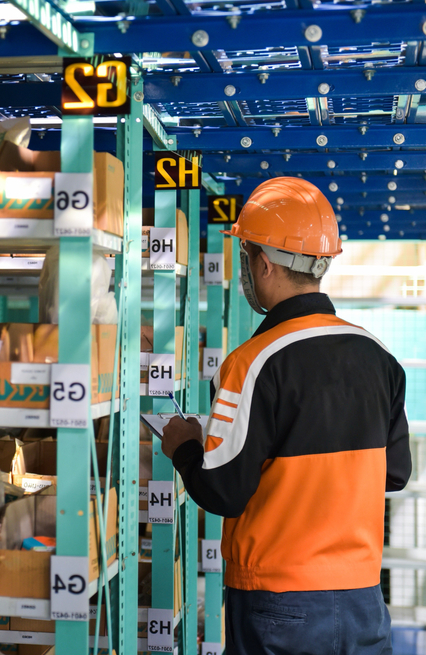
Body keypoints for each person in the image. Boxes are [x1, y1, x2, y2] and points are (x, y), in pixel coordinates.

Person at [161, 177, 411, 655]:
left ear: (264, 263)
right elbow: (395, 473)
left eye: (247, 255)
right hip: (362, 599)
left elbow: (223, 490)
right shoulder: (379, 356)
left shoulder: (251, 363)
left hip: (277, 600)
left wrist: (184, 447)